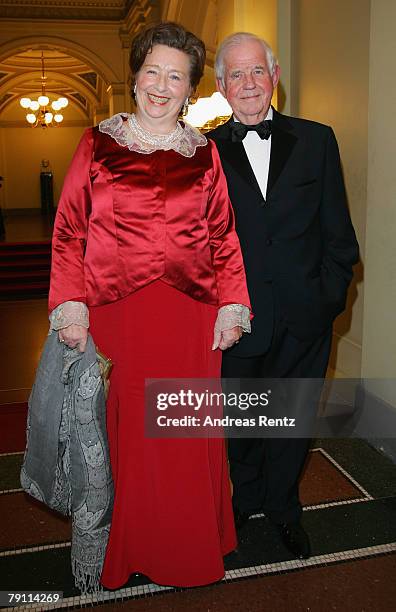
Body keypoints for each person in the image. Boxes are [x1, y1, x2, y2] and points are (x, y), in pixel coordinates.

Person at [48, 22, 251, 588]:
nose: (162, 86)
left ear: (191, 90)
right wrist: (70, 303)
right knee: (131, 435)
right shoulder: (97, 142)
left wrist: (232, 305)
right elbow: (68, 231)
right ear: (135, 78)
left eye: (176, 77)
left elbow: (224, 236)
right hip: (118, 311)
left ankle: (188, 548)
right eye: (152, 72)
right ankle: (131, 547)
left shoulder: (205, 153)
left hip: (190, 313)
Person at [208, 32, 359, 559]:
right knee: (242, 423)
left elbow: (339, 235)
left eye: (257, 72)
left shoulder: (318, 140)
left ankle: (284, 509)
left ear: (275, 78)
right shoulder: (201, 151)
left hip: (305, 316)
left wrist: (326, 300)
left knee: (291, 423)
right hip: (238, 320)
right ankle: (242, 501)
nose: (248, 84)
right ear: (221, 86)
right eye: (235, 75)